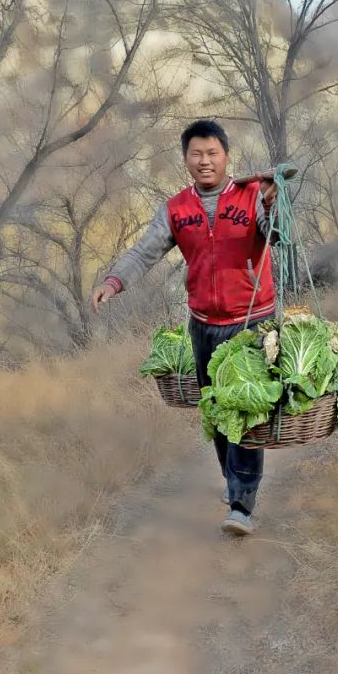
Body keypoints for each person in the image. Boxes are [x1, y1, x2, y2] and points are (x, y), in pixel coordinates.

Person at [90, 119, 280, 536]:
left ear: (226, 156)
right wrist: (112, 281)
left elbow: (276, 236)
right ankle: (234, 483)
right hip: (204, 324)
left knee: (245, 409)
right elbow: (144, 253)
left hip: (250, 320)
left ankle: (242, 504)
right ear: (186, 160)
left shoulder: (252, 196)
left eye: (213, 153)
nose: (205, 161)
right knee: (215, 410)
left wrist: (274, 203)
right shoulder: (177, 209)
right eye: (197, 154)